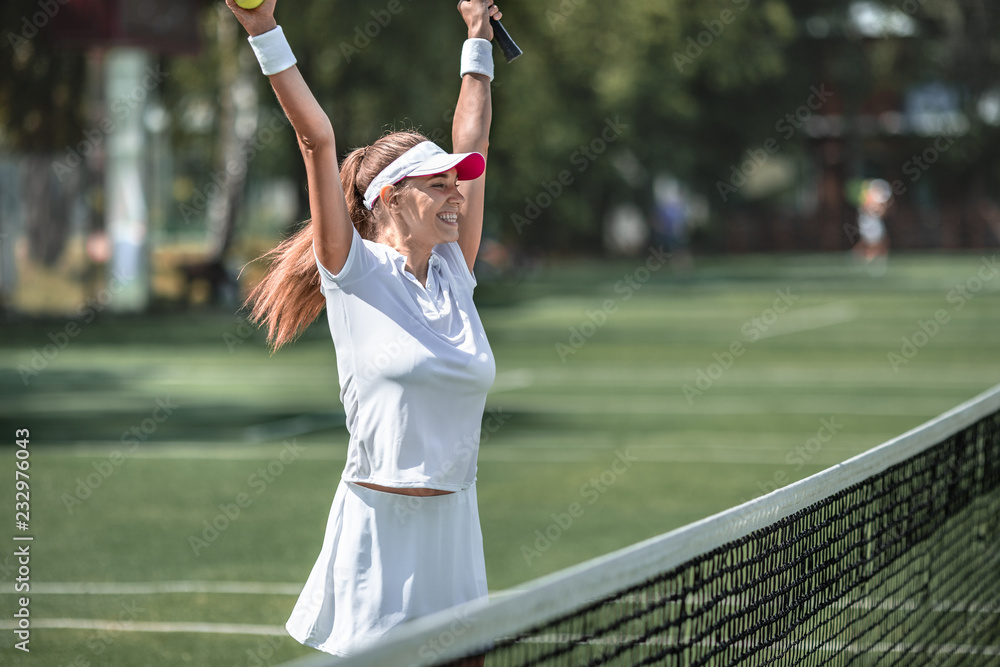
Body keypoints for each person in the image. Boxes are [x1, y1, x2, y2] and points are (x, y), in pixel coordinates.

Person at [224, 0, 502, 661]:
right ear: (392, 197)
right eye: (439, 186)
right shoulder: (352, 270)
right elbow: (316, 137)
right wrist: (263, 29)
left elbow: (475, 145)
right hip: (377, 537)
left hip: (454, 528)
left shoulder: (454, 273)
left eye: (455, 185)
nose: (457, 196)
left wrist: (478, 39)